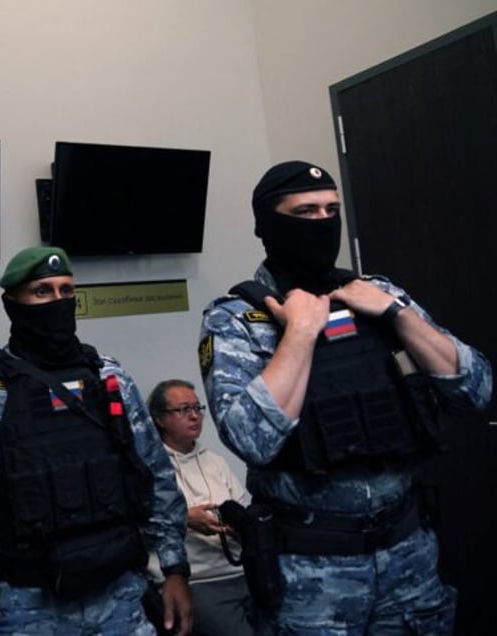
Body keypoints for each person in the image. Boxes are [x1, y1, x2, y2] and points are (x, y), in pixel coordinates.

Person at [197, 160, 493, 634]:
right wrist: (300, 332)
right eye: (305, 211)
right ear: (267, 224)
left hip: (408, 556)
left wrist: (395, 313)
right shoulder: (236, 319)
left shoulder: (377, 294)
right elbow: (251, 439)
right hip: (312, 573)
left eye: (331, 210)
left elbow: (476, 390)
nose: (322, 223)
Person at [0, 245, 194, 635]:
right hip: (26, 607)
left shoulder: (111, 381)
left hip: (119, 598)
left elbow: (156, 479)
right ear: (12, 304)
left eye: (66, 291)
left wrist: (174, 570)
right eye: (42, 291)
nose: (57, 301)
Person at [147, 379, 254, 636]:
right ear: (160, 419)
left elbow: (243, 508)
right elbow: (136, 523)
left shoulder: (215, 461)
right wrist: (183, 518)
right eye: (184, 409)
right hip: (195, 581)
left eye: (198, 408)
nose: (195, 416)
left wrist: (240, 525)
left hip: (243, 572)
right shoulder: (147, 468)